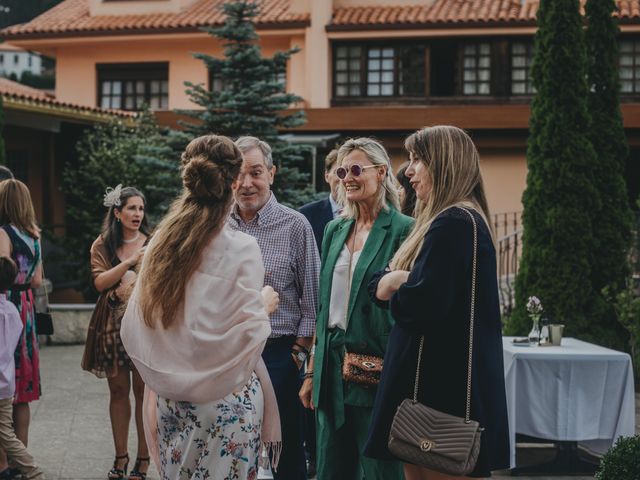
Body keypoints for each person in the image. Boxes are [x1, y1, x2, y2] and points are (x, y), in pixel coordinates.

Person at [120, 134, 281, 479]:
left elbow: (138, 325)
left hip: (170, 402)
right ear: (235, 181)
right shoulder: (242, 247)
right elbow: (246, 340)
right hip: (225, 403)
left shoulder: (160, 243)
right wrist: (263, 305)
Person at [364, 126, 510, 480]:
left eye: (418, 160)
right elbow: (384, 286)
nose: (408, 170)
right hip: (443, 388)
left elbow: (423, 306)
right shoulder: (464, 219)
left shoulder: (453, 222)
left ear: (444, 164)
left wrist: (397, 281)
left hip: (436, 394)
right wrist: (396, 281)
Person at [298, 138, 411, 480]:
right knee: (330, 465)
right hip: (331, 363)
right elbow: (322, 306)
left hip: (377, 361)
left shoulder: (404, 230)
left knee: (381, 468)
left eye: (357, 169)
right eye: (342, 170)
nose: (348, 177)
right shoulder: (334, 229)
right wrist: (311, 371)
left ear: (381, 173)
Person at [228, 136, 320, 480]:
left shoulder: (296, 226)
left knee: (285, 452)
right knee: (234, 446)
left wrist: (297, 355)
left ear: (271, 173)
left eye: (255, 172)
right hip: (228, 354)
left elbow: (313, 302)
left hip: (278, 354)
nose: (247, 183)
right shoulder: (219, 224)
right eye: (239, 174)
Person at [80, 185, 151, 480]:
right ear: (117, 213)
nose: (138, 214)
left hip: (145, 325)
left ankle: (144, 459)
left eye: (141, 209)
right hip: (111, 324)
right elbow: (99, 283)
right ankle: (121, 457)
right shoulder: (103, 244)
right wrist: (129, 263)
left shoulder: (153, 241)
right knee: (118, 390)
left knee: (143, 393)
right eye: (132, 208)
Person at [0, 180, 43, 472]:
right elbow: (38, 280)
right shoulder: (34, 235)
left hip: (7, 301)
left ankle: (4, 462)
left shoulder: (4, 233)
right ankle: (20, 455)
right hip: (26, 307)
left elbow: (2, 266)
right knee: (22, 390)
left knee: (4, 381)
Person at [300, 148, 341, 252]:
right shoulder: (307, 214)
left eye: (349, 172)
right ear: (327, 176)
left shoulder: (366, 215)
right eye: (339, 172)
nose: (344, 178)